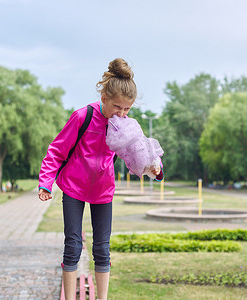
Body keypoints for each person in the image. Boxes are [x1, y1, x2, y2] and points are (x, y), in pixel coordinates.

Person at [38, 58, 163, 300]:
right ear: (104, 98)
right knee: (73, 245)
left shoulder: (126, 126)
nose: (122, 114)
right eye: (118, 107)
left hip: (102, 190)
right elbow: (56, 150)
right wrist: (46, 182)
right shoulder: (82, 116)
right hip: (74, 188)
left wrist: (155, 169)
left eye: (127, 109)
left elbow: (142, 154)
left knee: (102, 249)